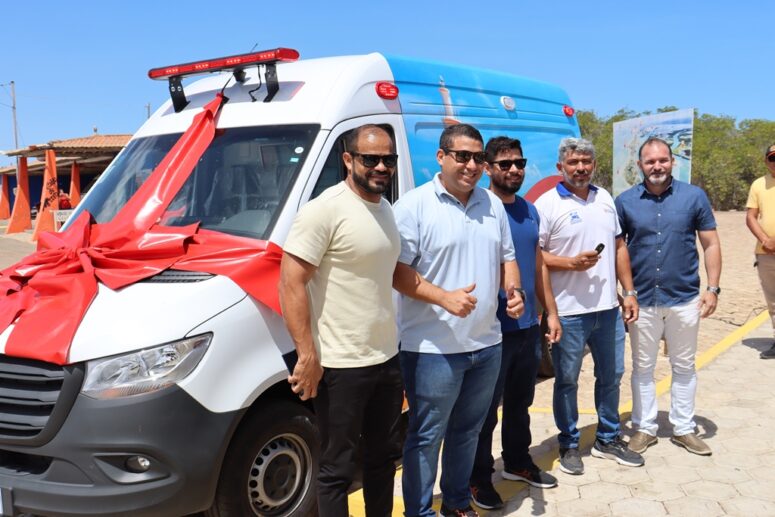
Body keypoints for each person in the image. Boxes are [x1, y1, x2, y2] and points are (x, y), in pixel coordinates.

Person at [393, 123, 524, 517]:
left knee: (468, 431)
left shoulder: (492, 204)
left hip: (487, 345)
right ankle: (419, 512)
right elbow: (397, 273)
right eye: (462, 156)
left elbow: (507, 259)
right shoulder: (413, 206)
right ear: (441, 157)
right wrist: (443, 297)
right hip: (432, 350)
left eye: (478, 158)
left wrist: (514, 292)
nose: (471, 165)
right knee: (426, 438)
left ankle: (455, 505)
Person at [279, 124, 404, 516]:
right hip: (341, 365)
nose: (381, 167)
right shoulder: (324, 210)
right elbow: (290, 282)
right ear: (348, 160)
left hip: (386, 358)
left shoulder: (385, 209)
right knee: (337, 469)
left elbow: (385, 274)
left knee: (383, 459)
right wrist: (306, 355)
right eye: (371, 159)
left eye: (388, 159)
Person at [535, 137, 643, 475]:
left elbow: (619, 247)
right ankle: (569, 443)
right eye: (573, 162)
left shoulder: (605, 198)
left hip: (607, 309)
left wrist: (628, 291)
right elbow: (535, 257)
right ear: (560, 167)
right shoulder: (546, 204)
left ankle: (607, 438)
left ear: (593, 165)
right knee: (567, 380)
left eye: (585, 162)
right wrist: (569, 263)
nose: (580, 168)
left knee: (611, 376)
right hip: (568, 312)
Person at [468, 137, 562, 510]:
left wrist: (550, 312)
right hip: (490, 330)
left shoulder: (528, 210)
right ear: (487, 168)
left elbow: (538, 264)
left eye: (519, 163)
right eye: (504, 164)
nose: (513, 170)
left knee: (521, 402)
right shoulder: (479, 209)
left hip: (527, 327)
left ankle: (517, 462)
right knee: (483, 411)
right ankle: (477, 478)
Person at [616, 137, 721, 456]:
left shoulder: (694, 197)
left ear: (673, 161)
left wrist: (713, 288)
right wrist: (624, 293)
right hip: (642, 301)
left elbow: (711, 244)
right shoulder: (625, 201)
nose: (657, 166)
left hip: (685, 299)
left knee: (684, 365)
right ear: (640, 165)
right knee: (643, 367)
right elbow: (618, 250)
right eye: (650, 161)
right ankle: (644, 427)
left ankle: (684, 428)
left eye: (663, 160)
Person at [746, 143, 775, 360]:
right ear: (766, 161)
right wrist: (765, 240)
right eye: (773, 158)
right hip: (766, 252)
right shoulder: (758, 184)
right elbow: (750, 217)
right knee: (773, 299)